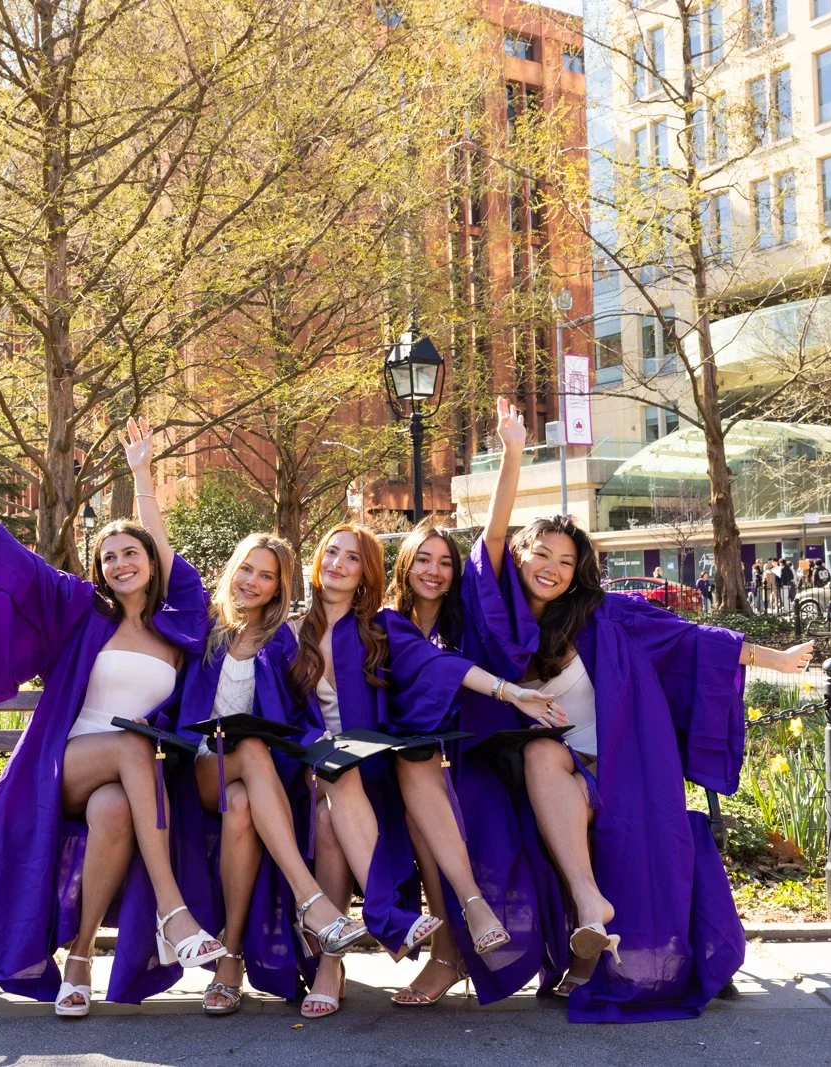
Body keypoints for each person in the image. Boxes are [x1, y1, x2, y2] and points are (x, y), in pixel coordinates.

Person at [0, 418, 223, 1015]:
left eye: (131, 553)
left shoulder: (175, 623)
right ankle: (172, 913)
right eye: (108, 557)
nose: (120, 563)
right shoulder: (81, 607)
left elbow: (168, 553)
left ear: (152, 562)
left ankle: (78, 959)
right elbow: (9, 554)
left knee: (115, 808)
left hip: (119, 788)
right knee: (136, 747)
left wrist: (141, 476)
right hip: (64, 763)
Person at [467, 505, 813, 1021]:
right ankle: (590, 913)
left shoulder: (604, 614)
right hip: (539, 777)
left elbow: (692, 641)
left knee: (543, 754)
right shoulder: (494, 631)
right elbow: (489, 542)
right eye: (541, 554)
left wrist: (777, 660)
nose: (553, 568)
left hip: (616, 770)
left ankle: (589, 914)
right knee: (540, 753)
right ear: (517, 557)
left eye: (567, 560)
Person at [291, 522, 556, 1020]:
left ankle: (345, 956)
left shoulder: (381, 626)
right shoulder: (292, 633)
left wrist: (512, 692)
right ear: (317, 560)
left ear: (366, 571)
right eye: (332, 553)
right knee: (329, 797)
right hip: (314, 770)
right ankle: (361, 940)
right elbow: (281, 714)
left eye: (352, 558)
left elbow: (439, 668)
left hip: (369, 770)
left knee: (366, 791)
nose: (338, 564)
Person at [381, 398, 548, 1009]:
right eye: (421, 559)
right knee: (415, 769)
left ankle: (450, 949)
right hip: (393, 759)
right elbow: (436, 670)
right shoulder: (388, 624)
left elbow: (496, 535)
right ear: (405, 565)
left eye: (443, 562)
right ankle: (460, 928)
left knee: (438, 798)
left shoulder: (466, 617)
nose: (433, 570)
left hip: (469, 755)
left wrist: (512, 454)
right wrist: (509, 691)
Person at [178, 532, 366, 1016]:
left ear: (279, 588)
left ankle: (232, 957)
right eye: (247, 569)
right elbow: (162, 552)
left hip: (251, 784)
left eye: (267, 576)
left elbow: (300, 716)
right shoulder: (205, 624)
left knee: (242, 802)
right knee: (250, 749)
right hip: (199, 766)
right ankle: (312, 900)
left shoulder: (282, 639)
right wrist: (141, 476)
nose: (252, 582)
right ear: (232, 568)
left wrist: (320, 745)